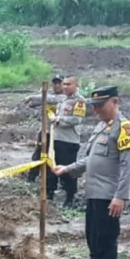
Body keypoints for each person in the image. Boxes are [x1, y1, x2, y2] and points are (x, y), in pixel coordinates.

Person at [51, 86, 130, 259]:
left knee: (106, 238)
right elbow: (91, 159)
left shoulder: (124, 127)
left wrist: (120, 196)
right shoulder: (101, 126)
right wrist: (68, 169)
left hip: (109, 195)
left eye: (101, 105)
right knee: (93, 236)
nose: (97, 110)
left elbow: (127, 165)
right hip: (93, 192)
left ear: (115, 102)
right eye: (95, 106)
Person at [46, 76, 87, 206]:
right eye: (64, 84)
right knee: (51, 168)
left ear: (76, 85)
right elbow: (47, 99)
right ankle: (49, 195)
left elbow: (77, 119)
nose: (65, 87)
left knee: (68, 170)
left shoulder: (79, 101)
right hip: (56, 139)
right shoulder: (62, 99)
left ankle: (70, 197)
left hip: (69, 141)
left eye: (68, 84)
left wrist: (58, 119)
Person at [21, 75, 66, 182]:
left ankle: (54, 182)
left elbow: (52, 99)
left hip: (59, 134)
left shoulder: (65, 98)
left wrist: (33, 97)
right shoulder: (48, 97)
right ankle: (31, 178)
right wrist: (32, 101)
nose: (57, 85)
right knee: (38, 154)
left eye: (59, 83)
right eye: (55, 83)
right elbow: (32, 104)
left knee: (55, 157)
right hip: (45, 131)